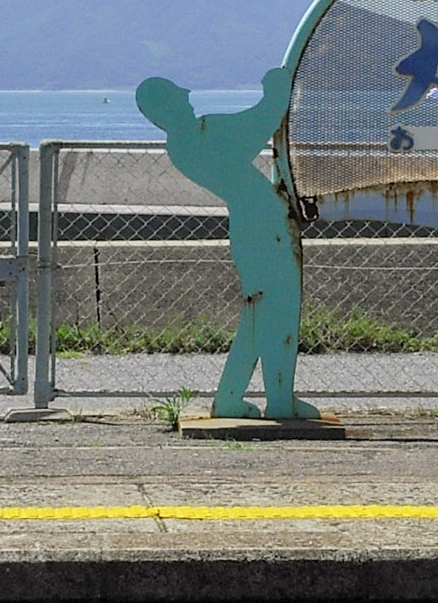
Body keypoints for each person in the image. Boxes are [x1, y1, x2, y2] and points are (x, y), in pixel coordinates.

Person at [136, 67, 318, 419]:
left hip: (260, 227)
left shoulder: (190, 140)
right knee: (274, 314)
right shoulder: (196, 137)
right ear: (164, 109)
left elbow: (258, 124)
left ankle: (252, 395)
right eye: (177, 94)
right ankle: (275, 398)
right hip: (262, 231)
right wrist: (276, 90)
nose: (187, 95)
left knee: (261, 317)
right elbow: (260, 124)